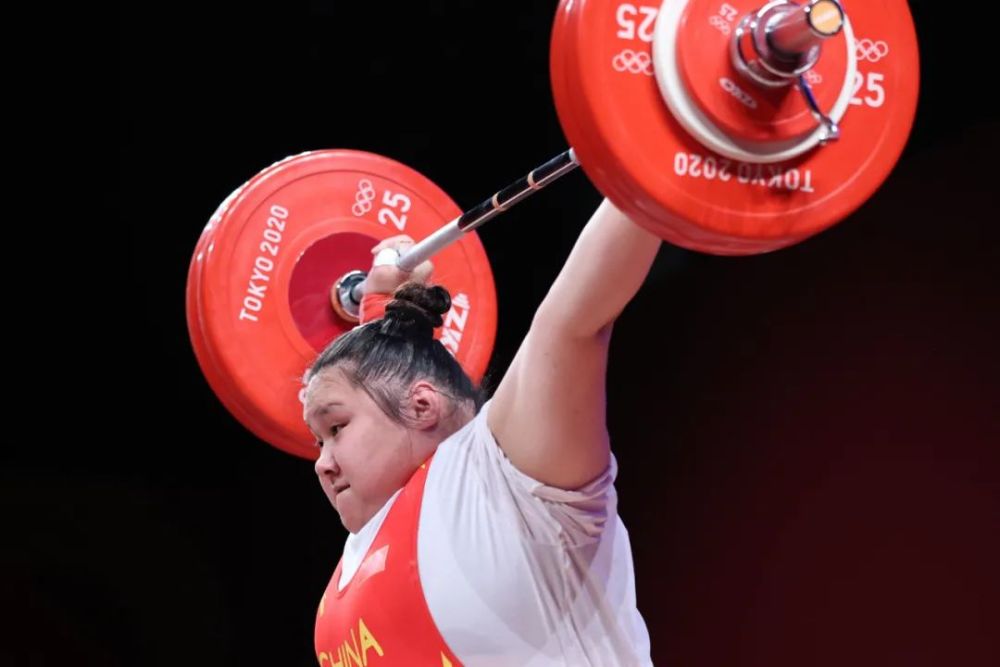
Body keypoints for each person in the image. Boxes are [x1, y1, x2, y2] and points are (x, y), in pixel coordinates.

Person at [303, 198, 660, 666]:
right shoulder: (362, 554)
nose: (321, 463)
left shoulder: (504, 481)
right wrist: (383, 311)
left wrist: (655, 175)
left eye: (336, 428)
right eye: (319, 440)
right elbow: (378, 390)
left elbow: (572, 322)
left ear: (423, 406)